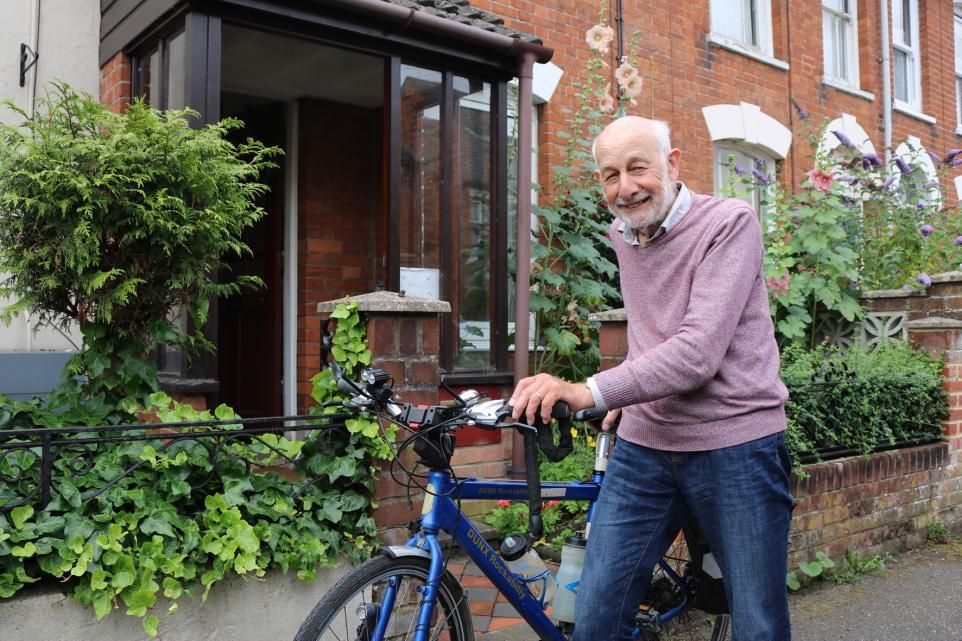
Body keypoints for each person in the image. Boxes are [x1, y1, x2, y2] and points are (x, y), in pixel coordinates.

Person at [509, 116, 793, 641]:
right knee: (595, 616)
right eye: (610, 175)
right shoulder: (624, 232)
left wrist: (590, 390)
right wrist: (627, 397)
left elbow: (697, 352)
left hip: (737, 445)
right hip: (645, 448)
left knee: (757, 622)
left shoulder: (729, 223)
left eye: (638, 168)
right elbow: (653, 330)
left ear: (673, 163)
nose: (626, 187)